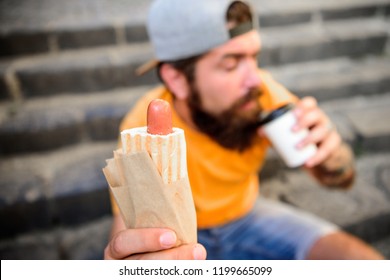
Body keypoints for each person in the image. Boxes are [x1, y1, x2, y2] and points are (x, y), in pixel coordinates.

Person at [104, 0, 384, 260]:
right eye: (231, 64)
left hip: (246, 216)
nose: (255, 79)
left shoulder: (264, 96)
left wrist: (331, 155)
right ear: (176, 79)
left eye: (254, 57)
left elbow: (339, 178)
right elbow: (128, 225)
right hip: (175, 235)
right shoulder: (143, 126)